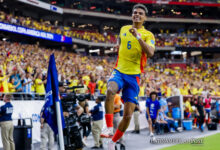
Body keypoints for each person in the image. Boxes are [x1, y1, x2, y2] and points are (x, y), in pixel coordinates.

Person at [100, 4, 155, 150]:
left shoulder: (148, 35)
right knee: (110, 91)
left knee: (128, 115)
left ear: (145, 18)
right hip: (119, 71)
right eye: (135, 12)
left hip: (134, 76)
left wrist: (137, 37)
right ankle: (109, 127)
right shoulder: (123, 29)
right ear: (132, 15)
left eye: (140, 13)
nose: (137, 15)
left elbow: (150, 53)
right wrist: (117, 47)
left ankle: (113, 141)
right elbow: (121, 42)